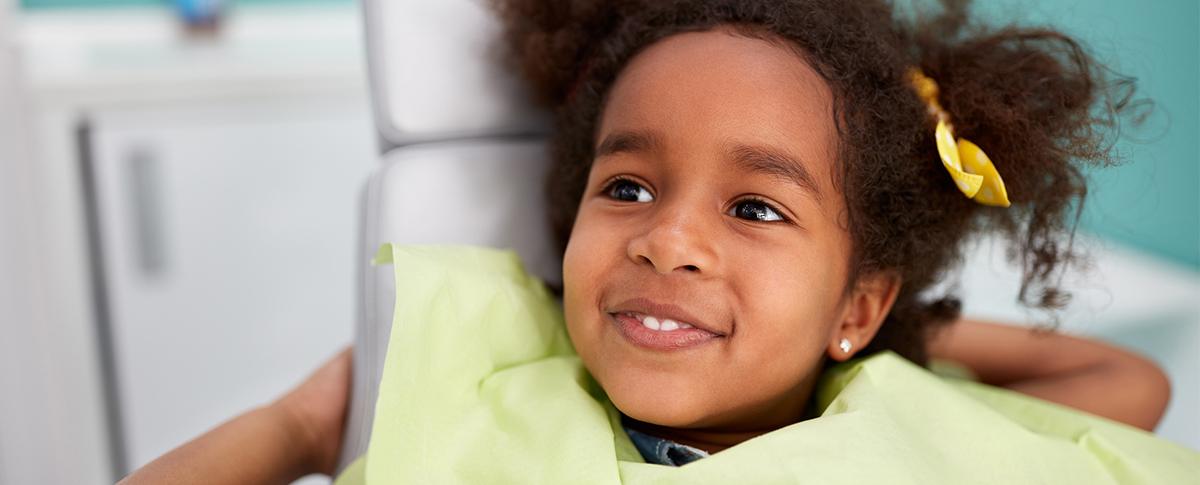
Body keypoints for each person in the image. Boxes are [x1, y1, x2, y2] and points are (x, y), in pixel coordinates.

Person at [120, 0, 1172, 482]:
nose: (667, 240)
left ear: (859, 301)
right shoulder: (489, 369)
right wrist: (308, 421)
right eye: (626, 186)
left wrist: (872, 340)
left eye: (755, 208)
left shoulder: (904, 419)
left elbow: (1121, 381)